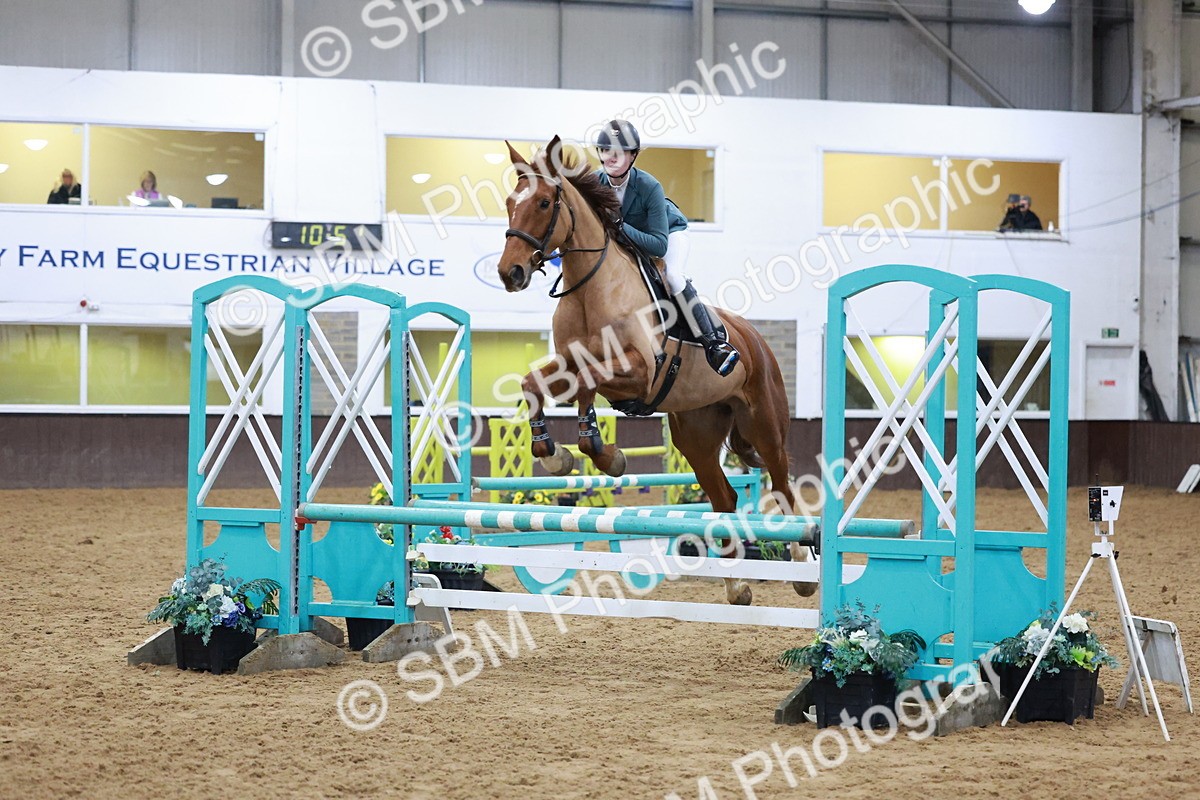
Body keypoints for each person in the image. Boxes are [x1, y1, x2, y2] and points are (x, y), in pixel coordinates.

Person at [593, 119, 740, 377]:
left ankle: (713, 344)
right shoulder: (595, 183)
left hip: (669, 234)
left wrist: (622, 226)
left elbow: (659, 246)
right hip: (626, 240)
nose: (609, 157)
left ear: (633, 156)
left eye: (617, 152)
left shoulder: (649, 186)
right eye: (605, 150)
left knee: (672, 277)